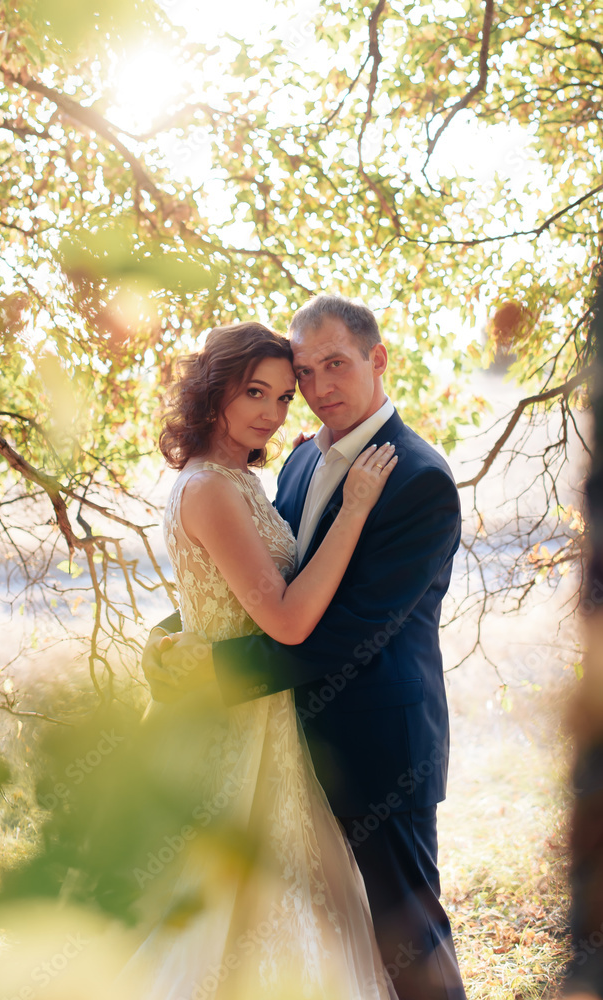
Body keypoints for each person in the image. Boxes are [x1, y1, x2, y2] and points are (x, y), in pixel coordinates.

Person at [146, 295, 466, 1000]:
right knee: (303, 939)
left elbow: (352, 627)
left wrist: (214, 669)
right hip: (281, 745)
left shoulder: (418, 479)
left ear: (377, 360)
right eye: (305, 374)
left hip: (376, 753)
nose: (318, 389)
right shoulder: (296, 463)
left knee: (410, 946)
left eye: (335, 365)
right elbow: (252, 585)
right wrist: (177, 633)